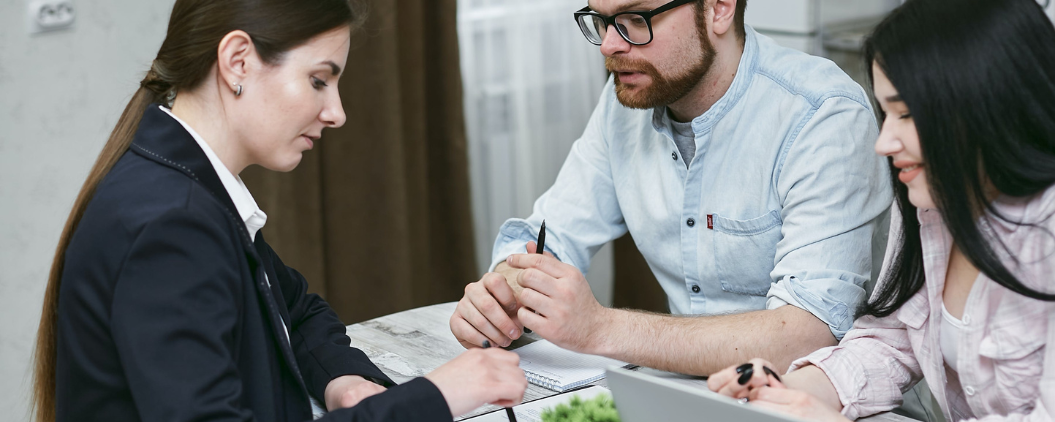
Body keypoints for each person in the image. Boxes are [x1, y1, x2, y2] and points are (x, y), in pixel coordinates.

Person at [29, 1, 527, 421]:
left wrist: (344, 380)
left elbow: (297, 309)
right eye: (318, 81)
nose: (337, 112)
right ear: (238, 61)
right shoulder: (172, 224)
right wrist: (435, 397)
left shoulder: (188, 185)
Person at [450, 0, 892, 375]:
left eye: (637, 18)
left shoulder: (822, 116)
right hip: (687, 396)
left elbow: (807, 332)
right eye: (600, 20)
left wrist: (600, 328)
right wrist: (504, 289)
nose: (609, 44)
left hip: (817, 402)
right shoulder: (627, 103)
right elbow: (552, 236)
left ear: (719, 7)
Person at [707, 0, 1055, 420]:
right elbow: (892, 342)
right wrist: (793, 390)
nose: (884, 143)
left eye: (906, 114)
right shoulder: (933, 204)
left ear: (986, 103)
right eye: (886, 114)